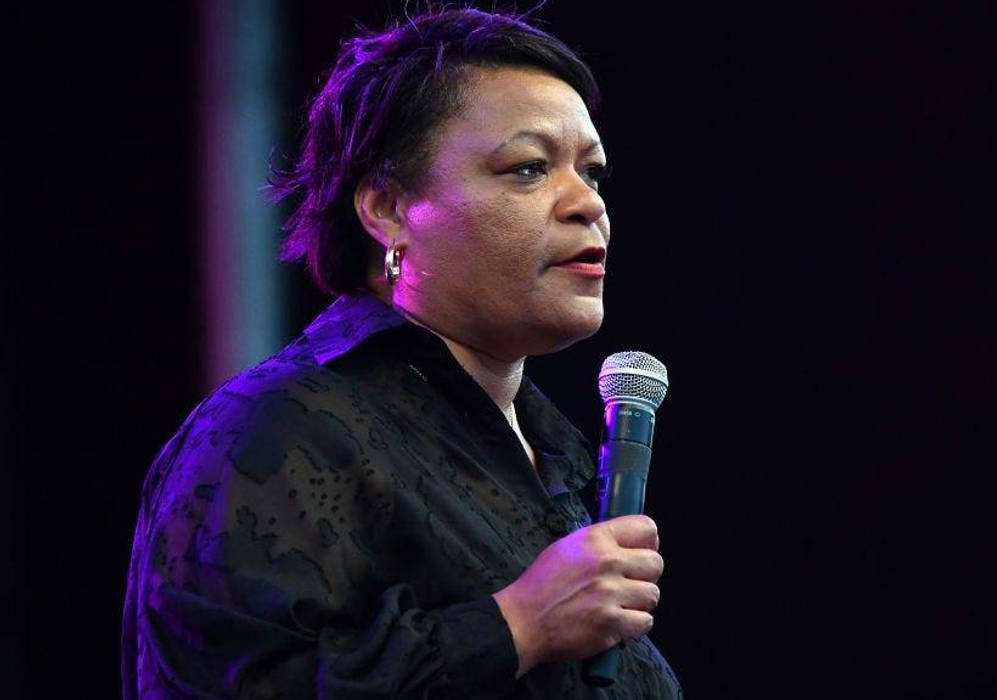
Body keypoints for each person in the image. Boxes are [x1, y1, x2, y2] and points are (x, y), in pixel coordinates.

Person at [122, 7, 683, 698]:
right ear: (388, 209)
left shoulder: (552, 453)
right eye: (529, 168)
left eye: (591, 173)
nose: (585, 204)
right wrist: (514, 627)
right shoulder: (278, 428)